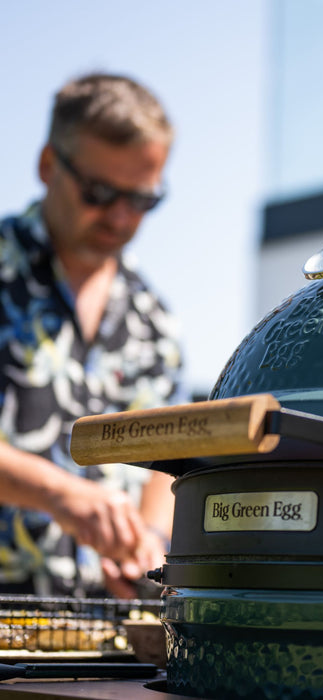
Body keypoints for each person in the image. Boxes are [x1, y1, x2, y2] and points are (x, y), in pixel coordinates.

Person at [0, 72, 183, 598]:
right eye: (100, 193)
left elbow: (166, 461)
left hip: (104, 641)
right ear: (47, 165)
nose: (121, 216)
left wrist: (148, 540)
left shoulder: (155, 320)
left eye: (143, 199)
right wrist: (58, 492)